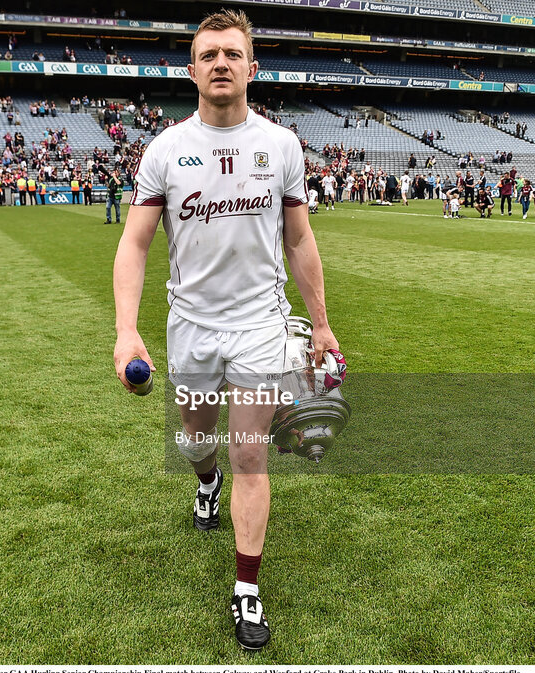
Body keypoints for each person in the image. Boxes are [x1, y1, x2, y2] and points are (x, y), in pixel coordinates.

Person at [113, 9, 338, 652]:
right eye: (208, 54)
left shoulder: (282, 145)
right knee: (195, 437)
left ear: (250, 68)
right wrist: (127, 331)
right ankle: (203, 482)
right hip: (191, 326)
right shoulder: (164, 149)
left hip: (261, 327)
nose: (220, 64)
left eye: (231, 54)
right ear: (192, 70)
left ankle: (247, 589)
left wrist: (319, 324)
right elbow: (134, 246)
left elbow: (299, 238)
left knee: (250, 450)